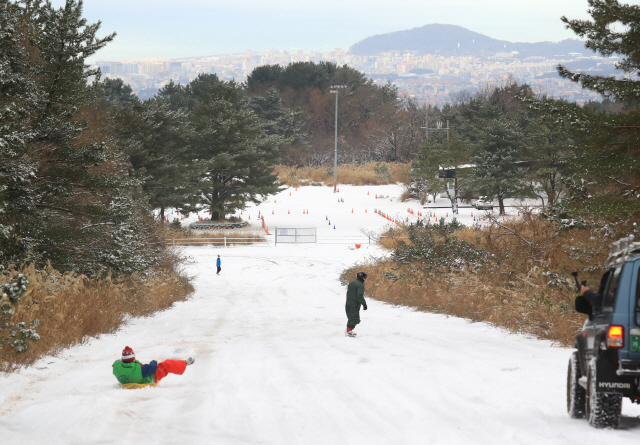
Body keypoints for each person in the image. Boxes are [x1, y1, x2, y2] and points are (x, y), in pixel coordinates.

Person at [112, 346, 195, 385]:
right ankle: (185, 363)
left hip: (128, 379)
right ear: (133, 358)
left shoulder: (117, 366)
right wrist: (154, 362)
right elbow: (152, 368)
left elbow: (116, 363)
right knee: (166, 365)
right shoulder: (140, 369)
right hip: (148, 378)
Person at [345, 271, 368, 337]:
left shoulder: (351, 283)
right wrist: (364, 304)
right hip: (354, 304)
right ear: (363, 278)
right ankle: (349, 331)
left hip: (348, 303)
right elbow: (359, 296)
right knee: (355, 319)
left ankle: (348, 330)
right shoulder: (360, 285)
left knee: (351, 318)